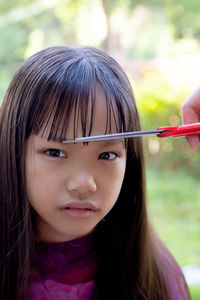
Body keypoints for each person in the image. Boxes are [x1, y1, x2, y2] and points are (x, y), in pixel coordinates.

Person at [0, 46, 190, 300]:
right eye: (55, 153)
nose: (84, 184)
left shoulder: (155, 275)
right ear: (12, 148)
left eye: (107, 156)